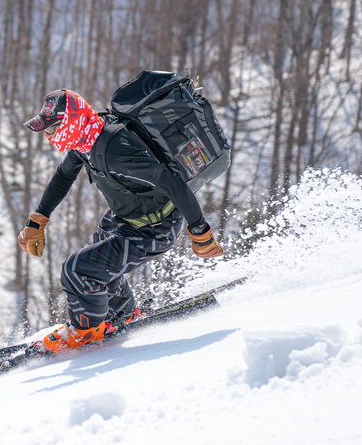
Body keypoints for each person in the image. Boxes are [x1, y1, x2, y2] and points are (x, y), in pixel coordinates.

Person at [17, 88, 224, 353]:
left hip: (153, 228)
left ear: (72, 122)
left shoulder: (117, 149)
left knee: (78, 269)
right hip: (125, 218)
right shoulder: (87, 139)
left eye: (52, 129)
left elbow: (173, 184)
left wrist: (200, 231)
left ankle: (85, 333)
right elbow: (63, 175)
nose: (48, 137)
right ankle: (122, 315)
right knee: (99, 260)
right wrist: (38, 220)